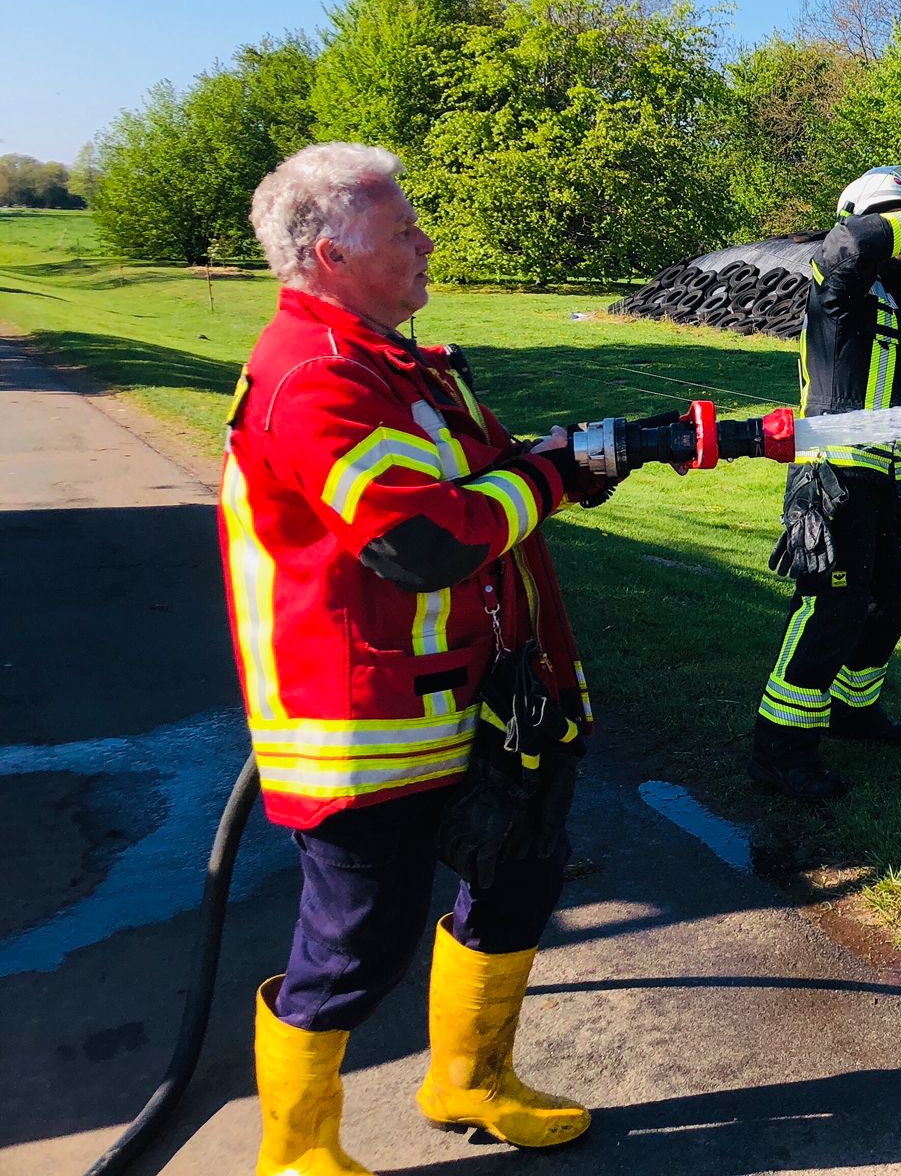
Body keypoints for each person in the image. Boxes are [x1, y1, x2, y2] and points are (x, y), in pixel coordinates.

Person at [221, 142, 631, 1174]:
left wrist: (563, 463)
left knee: (518, 877)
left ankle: (469, 1079)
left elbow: (484, 484)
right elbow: (426, 541)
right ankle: (296, 1150)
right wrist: (542, 480)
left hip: (474, 692)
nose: (425, 241)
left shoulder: (395, 363)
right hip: (358, 717)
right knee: (359, 943)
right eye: (402, 230)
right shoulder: (311, 377)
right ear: (328, 254)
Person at [748, 166, 901, 800]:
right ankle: (780, 748)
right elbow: (853, 242)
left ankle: (853, 711)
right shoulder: (840, 281)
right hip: (833, 475)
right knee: (830, 608)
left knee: (886, 603)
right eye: (894, 217)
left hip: (885, 474)